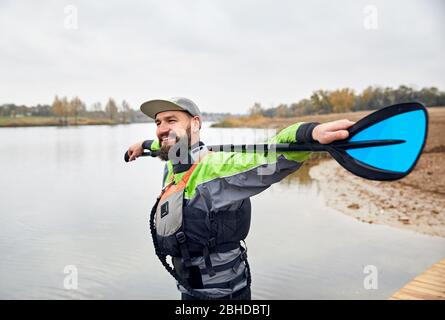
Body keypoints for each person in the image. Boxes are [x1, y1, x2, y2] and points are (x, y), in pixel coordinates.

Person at [127, 97, 354, 300]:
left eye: (171, 120)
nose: (162, 129)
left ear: (195, 124)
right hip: (188, 290)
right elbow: (165, 142)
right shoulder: (173, 164)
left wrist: (308, 133)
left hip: (225, 295)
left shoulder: (217, 169)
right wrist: (144, 145)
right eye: (158, 123)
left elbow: (272, 153)